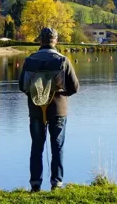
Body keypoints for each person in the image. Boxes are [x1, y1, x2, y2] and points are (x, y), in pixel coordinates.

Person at [19, 27, 79, 192]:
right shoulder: (63, 60)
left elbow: (22, 86)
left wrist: (37, 95)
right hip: (58, 109)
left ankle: (35, 184)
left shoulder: (30, 60)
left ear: (40, 40)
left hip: (36, 110)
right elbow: (75, 87)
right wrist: (60, 94)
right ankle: (57, 183)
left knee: (36, 147)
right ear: (56, 41)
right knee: (57, 147)